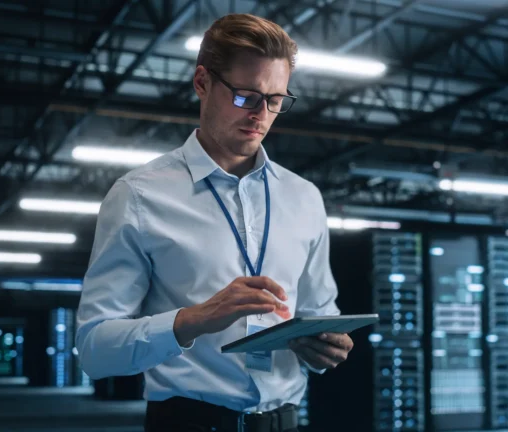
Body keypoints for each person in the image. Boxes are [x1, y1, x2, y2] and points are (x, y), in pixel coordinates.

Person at [75, 13, 353, 432]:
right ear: (202, 82)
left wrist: (324, 346)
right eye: (246, 95)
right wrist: (193, 319)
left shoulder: (304, 198)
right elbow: (95, 350)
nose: (261, 114)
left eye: (276, 100)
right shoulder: (139, 196)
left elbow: (319, 313)